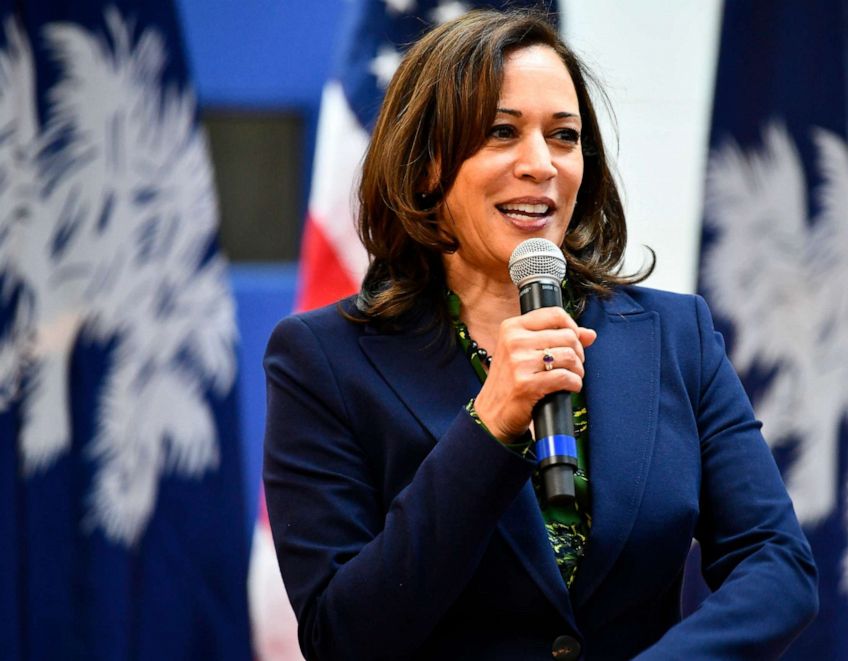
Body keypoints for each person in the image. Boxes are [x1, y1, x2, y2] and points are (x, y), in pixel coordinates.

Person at [263, 9, 818, 660]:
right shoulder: (321, 360)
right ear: (424, 166)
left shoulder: (676, 335)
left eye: (563, 136)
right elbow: (342, 636)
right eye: (502, 132)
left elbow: (777, 564)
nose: (541, 164)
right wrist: (488, 427)